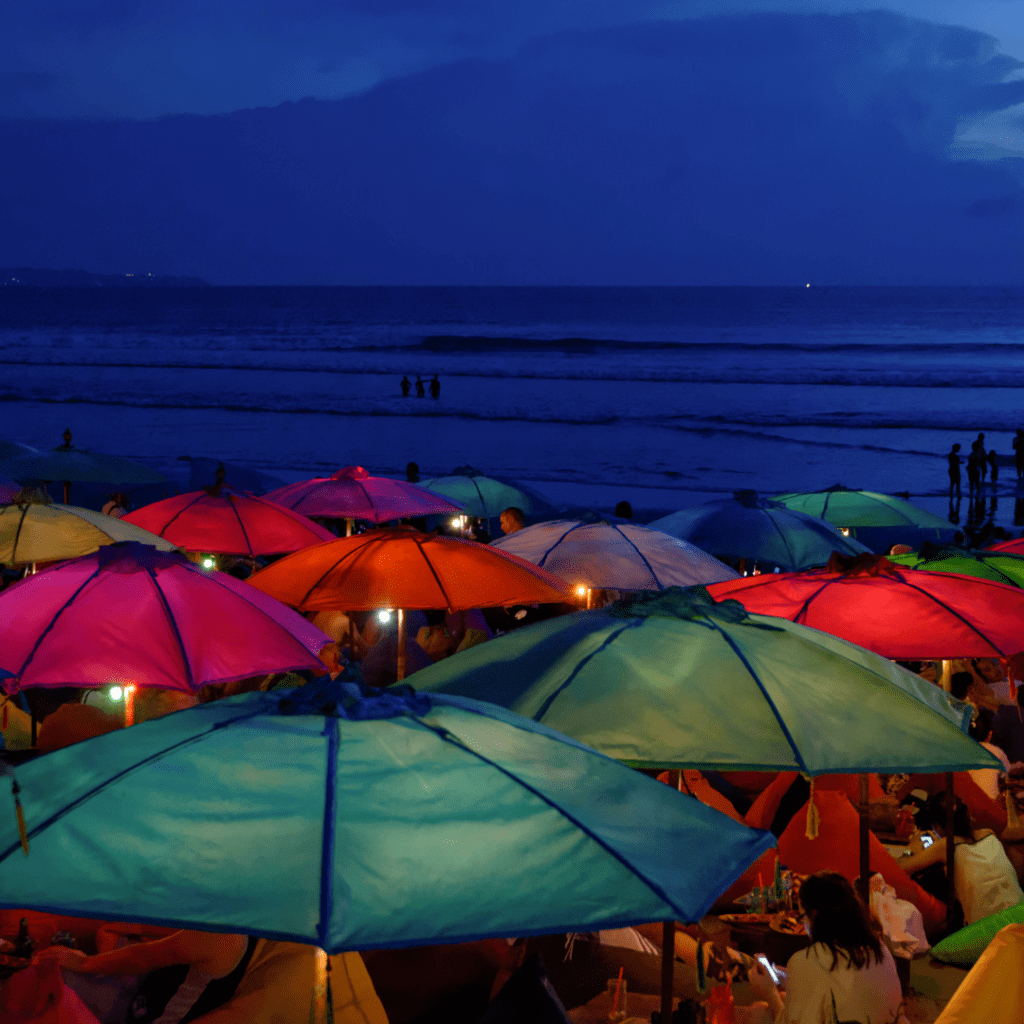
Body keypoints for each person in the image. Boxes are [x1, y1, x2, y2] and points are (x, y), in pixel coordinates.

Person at [747, 871, 905, 1024]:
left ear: (814, 916)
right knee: (766, 1007)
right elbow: (842, 989)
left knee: (760, 1011)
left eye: (802, 917)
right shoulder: (880, 949)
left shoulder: (808, 960)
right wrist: (792, 979)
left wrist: (770, 993)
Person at [900, 793, 1023, 926]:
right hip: (1019, 913)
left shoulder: (946, 846)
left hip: (995, 931)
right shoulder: (988, 833)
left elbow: (901, 868)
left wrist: (910, 848)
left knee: (939, 948)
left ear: (937, 826)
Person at [967, 707, 1011, 802]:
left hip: (964, 806)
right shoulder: (996, 752)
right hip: (989, 806)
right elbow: (1008, 776)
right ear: (990, 734)